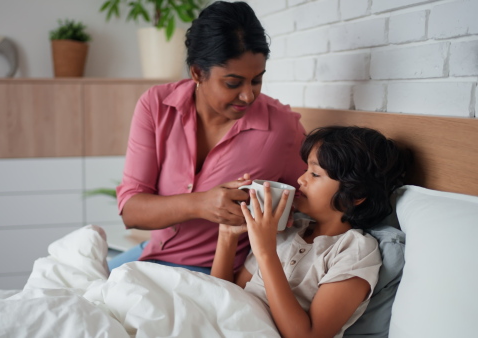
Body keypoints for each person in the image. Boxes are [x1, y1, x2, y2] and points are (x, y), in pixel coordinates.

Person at [110, 1, 307, 273]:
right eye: (233, 83)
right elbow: (131, 211)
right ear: (197, 73)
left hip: (212, 272)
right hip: (150, 254)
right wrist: (202, 204)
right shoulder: (156, 105)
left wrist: (285, 214)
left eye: (257, 80)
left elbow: (313, 203)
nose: (248, 95)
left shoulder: (282, 128)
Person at [211, 126, 409, 337]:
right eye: (306, 169)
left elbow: (307, 335)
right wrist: (227, 236)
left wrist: (266, 251)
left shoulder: (355, 251)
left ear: (356, 194)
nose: (300, 180)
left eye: (314, 173)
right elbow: (223, 295)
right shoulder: (287, 231)